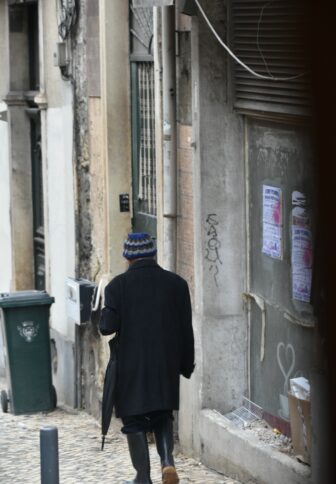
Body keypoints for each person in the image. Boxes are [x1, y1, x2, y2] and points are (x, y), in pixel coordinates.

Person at [99, 232, 195, 484]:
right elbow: (187, 329)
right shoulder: (177, 284)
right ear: (153, 254)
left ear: (128, 259)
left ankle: (142, 476)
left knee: (133, 419)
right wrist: (186, 364)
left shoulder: (116, 287)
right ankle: (167, 462)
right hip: (166, 364)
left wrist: (104, 309)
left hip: (131, 366)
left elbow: (106, 327)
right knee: (163, 414)